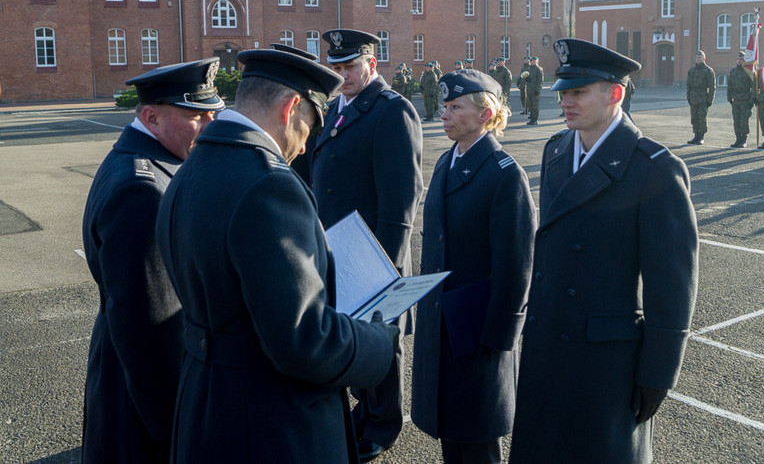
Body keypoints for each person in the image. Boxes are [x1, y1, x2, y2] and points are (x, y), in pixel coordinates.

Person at [155, 48, 399, 463]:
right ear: (290, 109)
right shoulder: (269, 184)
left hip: (206, 404)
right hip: (269, 421)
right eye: (311, 125)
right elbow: (305, 339)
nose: (305, 147)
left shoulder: (190, 168)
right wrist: (378, 342)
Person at [509, 38, 698, 463]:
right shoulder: (557, 150)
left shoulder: (653, 169)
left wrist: (658, 374)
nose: (565, 101)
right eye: (563, 91)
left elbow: (672, 285)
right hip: (548, 344)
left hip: (605, 361)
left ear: (615, 94)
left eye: (577, 91)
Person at [81, 58, 224, 463]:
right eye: (196, 115)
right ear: (151, 116)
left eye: (213, 113)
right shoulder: (143, 190)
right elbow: (148, 322)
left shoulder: (142, 159)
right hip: (141, 391)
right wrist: (169, 420)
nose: (209, 125)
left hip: (126, 373)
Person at [293, 28, 424, 462]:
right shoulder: (335, 110)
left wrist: (384, 264)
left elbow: (402, 197)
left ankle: (383, 424)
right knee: (350, 333)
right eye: (338, 66)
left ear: (372, 62)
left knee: (382, 338)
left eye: (351, 66)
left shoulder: (391, 111)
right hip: (336, 246)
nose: (344, 74)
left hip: (373, 249)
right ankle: (362, 411)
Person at [411, 70, 536, 464]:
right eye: (445, 106)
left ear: (486, 114)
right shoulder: (448, 161)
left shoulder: (503, 174)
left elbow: (517, 265)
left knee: (478, 440)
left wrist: (499, 338)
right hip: (444, 323)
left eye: (455, 107)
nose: (445, 114)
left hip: (477, 330)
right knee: (452, 431)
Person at [727, 51, 757, 148]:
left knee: (744, 120)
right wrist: (729, 97)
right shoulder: (733, 71)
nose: (739, 61)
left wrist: (752, 99)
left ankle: (744, 139)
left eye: (741, 59)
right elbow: (730, 85)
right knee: (736, 120)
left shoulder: (748, 71)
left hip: (745, 99)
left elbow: (754, 86)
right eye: (738, 59)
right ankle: (738, 138)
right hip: (736, 99)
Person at [686, 50, 716, 145]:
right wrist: (688, 97)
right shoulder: (691, 71)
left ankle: (701, 137)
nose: (698, 59)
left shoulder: (708, 71)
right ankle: (696, 136)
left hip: (703, 97)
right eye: (697, 57)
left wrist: (710, 99)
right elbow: (688, 85)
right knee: (694, 118)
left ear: (704, 59)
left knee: (702, 118)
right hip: (693, 97)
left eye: (700, 57)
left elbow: (712, 87)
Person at [525, 56, 544, 125]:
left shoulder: (539, 69)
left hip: (535, 90)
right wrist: (526, 79)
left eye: (534, 61)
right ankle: (532, 118)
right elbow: (525, 76)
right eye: (532, 61)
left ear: (537, 62)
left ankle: (535, 119)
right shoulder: (529, 69)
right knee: (530, 104)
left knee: (535, 105)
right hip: (529, 89)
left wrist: (538, 89)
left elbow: (540, 81)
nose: (532, 62)